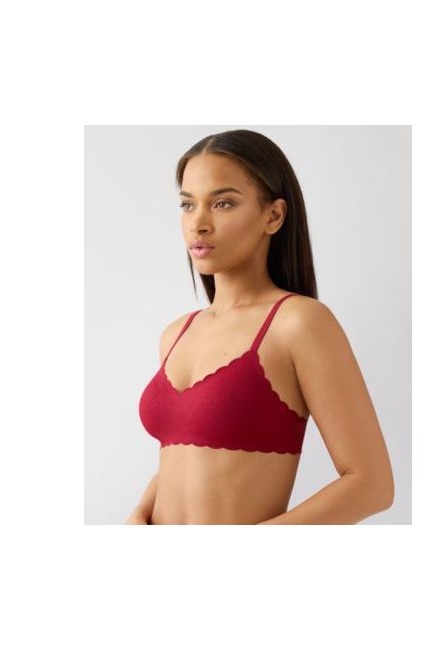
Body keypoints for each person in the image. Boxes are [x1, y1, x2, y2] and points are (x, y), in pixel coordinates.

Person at [126, 129, 394, 525]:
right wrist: (137, 515)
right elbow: (182, 459)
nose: (198, 223)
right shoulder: (176, 333)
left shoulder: (299, 323)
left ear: (274, 216)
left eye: (222, 203)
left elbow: (372, 485)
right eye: (187, 204)